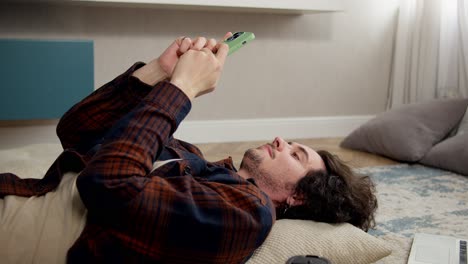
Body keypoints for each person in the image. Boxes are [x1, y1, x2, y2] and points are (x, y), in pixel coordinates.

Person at [0, 33, 377, 264]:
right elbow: (76, 132)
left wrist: (182, 90)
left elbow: (107, 184)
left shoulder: (248, 214)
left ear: (298, 196)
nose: (282, 141)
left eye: (296, 155)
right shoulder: (194, 160)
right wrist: (158, 74)